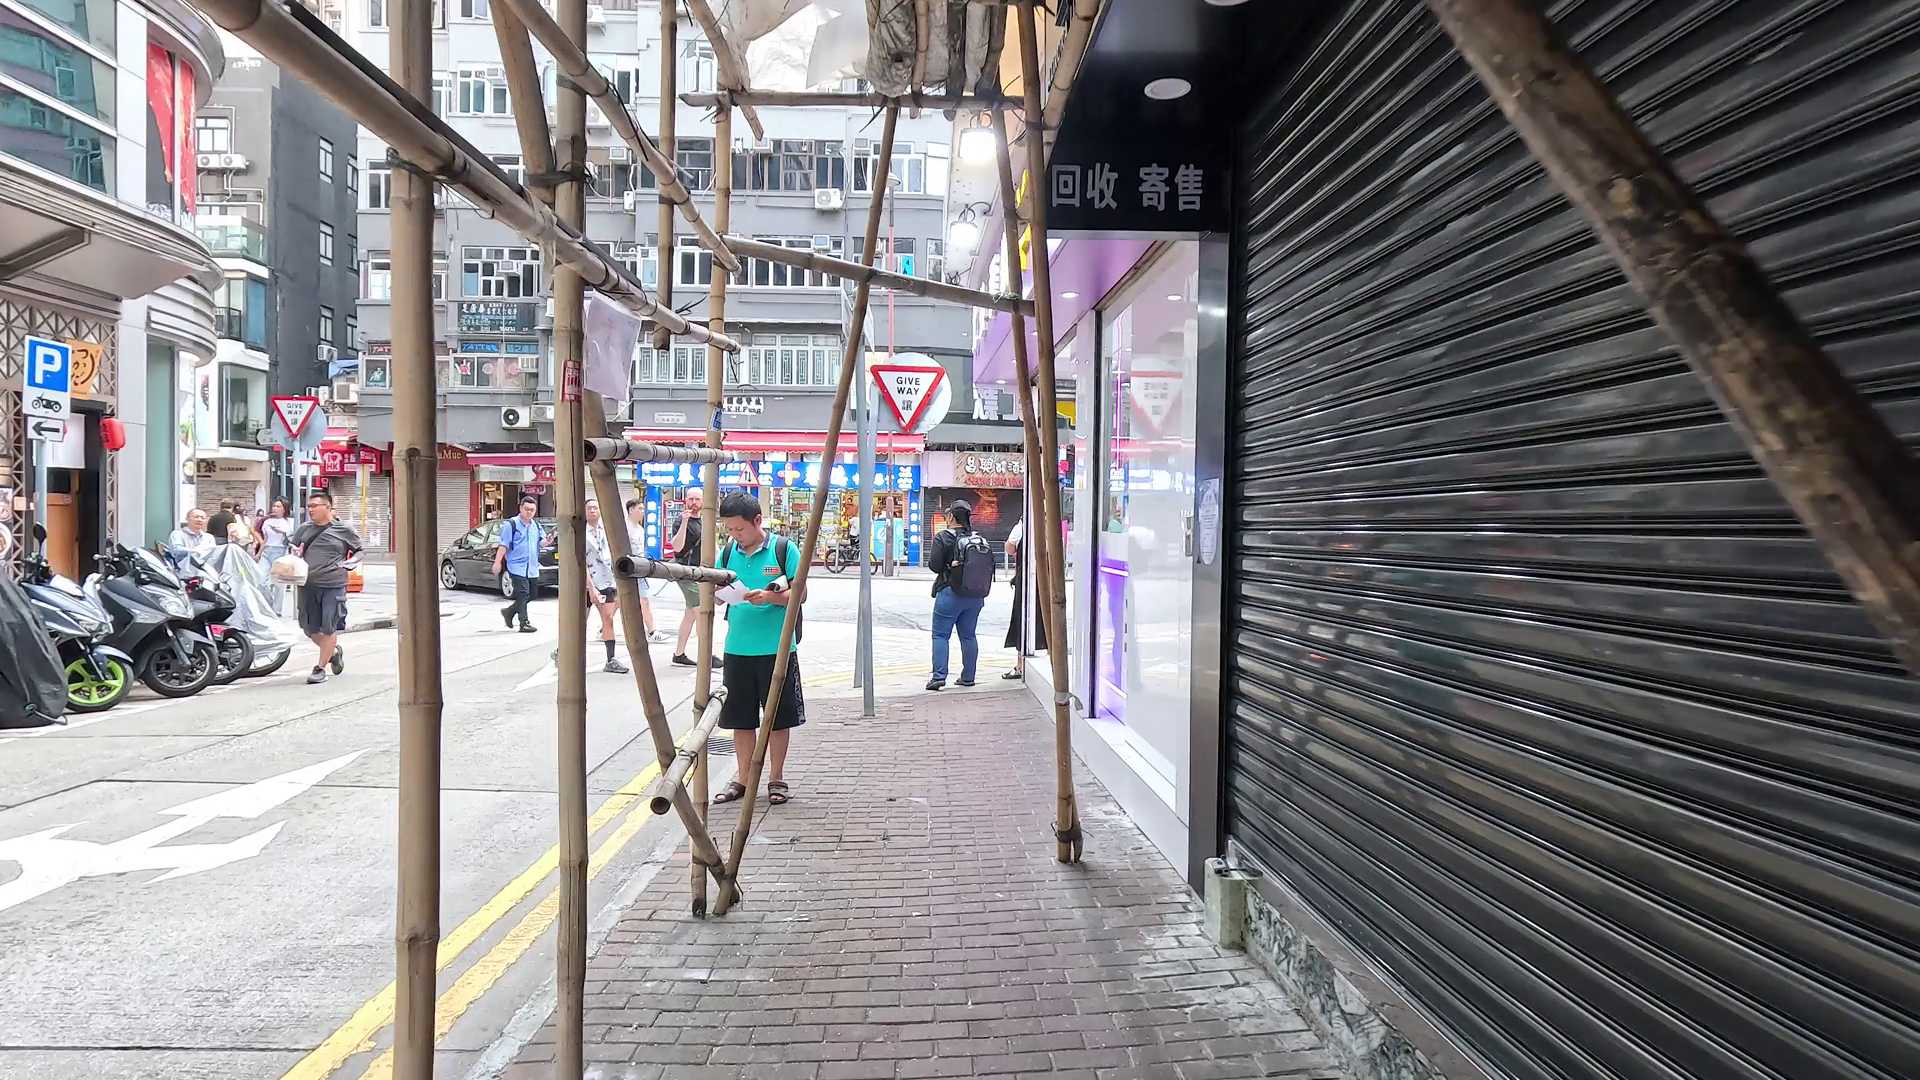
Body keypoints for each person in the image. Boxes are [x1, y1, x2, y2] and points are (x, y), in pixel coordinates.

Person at [708, 492, 805, 807]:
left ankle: (776, 778)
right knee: (740, 719)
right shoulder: (727, 552)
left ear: (757, 521)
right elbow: (716, 595)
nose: (735, 535)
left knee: (777, 718)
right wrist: (717, 592)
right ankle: (743, 779)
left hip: (777, 648)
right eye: (729, 530)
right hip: (737, 648)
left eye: (739, 529)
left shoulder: (783, 549)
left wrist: (770, 597)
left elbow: (800, 593)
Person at [290, 491, 362, 684]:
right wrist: (296, 553)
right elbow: (294, 549)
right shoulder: (304, 529)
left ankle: (320, 668)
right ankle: (332, 653)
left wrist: (351, 562)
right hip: (307, 584)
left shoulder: (343, 529)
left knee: (329, 627)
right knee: (309, 628)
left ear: (328, 507)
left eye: (315, 506)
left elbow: (359, 550)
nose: (310, 509)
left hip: (333, 584)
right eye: (309, 506)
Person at [925, 501, 995, 691]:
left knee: (941, 636)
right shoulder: (977, 537)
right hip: (975, 594)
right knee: (968, 636)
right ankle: (968, 676)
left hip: (950, 593)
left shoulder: (943, 537)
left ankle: (939, 676)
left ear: (950, 517)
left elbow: (934, 566)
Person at [669, 489, 719, 668]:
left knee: (690, 615)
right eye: (691, 499)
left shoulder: (704, 521)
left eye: (697, 499)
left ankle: (679, 654)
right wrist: (684, 523)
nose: (694, 502)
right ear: (685, 500)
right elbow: (677, 547)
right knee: (701, 613)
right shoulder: (680, 521)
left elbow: (712, 545)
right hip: (685, 572)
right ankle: (706, 655)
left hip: (699, 572)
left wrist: (719, 565)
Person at [581, 499, 629, 673]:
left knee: (608, 618)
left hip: (606, 580)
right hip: (586, 581)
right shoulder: (580, 533)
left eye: (595, 508)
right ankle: (562, 650)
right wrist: (590, 588)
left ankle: (611, 659)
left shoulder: (605, 530)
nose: (592, 511)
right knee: (579, 621)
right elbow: (581, 562)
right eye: (589, 508)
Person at [624, 498, 674, 643]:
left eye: (643, 509)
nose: (642, 512)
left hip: (639, 568)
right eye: (639, 509)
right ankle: (605, 626)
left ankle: (652, 631)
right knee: (621, 601)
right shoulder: (624, 529)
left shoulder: (640, 529)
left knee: (643, 600)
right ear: (631, 510)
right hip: (628, 569)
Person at [1001, 518, 1046, 679]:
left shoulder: (1021, 527)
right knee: (1046, 618)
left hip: (1026, 579)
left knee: (1022, 619)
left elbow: (1009, 547)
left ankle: (1020, 665)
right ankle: (1051, 659)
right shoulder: (1049, 525)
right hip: (1046, 579)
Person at [493, 495, 542, 633]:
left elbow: (541, 542)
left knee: (532, 595)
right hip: (516, 566)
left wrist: (548, 540)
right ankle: (524, 623)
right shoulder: (511, 524)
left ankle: (509, 612)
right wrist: (497, 562)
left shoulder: (536, 525)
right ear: (520, 508)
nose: (529, 512)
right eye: (526, 509)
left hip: (532, 566)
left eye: (532, 510)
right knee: (523, 593)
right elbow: (504, 545)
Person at [258, 498, 299, 615]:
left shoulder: (290, 522)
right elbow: (265, 539)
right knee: (260, 580)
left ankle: (277, 609)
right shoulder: (267, 522)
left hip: (281, 551)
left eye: (278, 506)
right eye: (274, 506)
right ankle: (268, 604)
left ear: (284, 509)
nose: (275, 508)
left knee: (279, 583)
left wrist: (283, 532)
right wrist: (258, 554)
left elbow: (293, 538)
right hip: (267, 551)